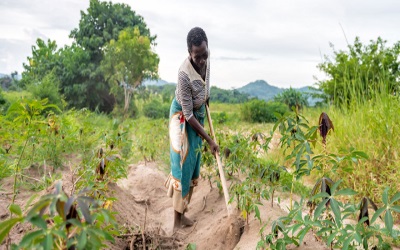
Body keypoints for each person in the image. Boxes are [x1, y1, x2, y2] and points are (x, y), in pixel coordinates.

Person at [165, 27, 219, 231]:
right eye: (198, 57)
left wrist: (207, 97)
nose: (202, 60)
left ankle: (184, 213)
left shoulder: (206, 56)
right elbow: (187, 115)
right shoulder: (183, 74)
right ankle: (176, 222)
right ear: (190, 53)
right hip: (183, 116)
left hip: (199, 112)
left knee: (194, 164)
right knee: (182, 165)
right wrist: (210, 141)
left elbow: (207, 80)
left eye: (205, 55)